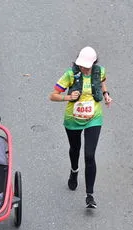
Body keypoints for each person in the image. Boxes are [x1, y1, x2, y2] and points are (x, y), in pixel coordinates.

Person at [49, 46, 113, 208]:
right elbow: (53, 95)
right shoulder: (70, 75)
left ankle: (90, 195)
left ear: (93, 64)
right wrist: (68, 97)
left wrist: (106, 94)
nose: (84, 68)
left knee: (90, 155)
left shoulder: (100, 72)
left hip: (94, 119)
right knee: (75, 149)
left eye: (87, 66)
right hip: (73, 119)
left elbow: (103, 81)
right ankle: (74, 170)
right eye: (82, 65)